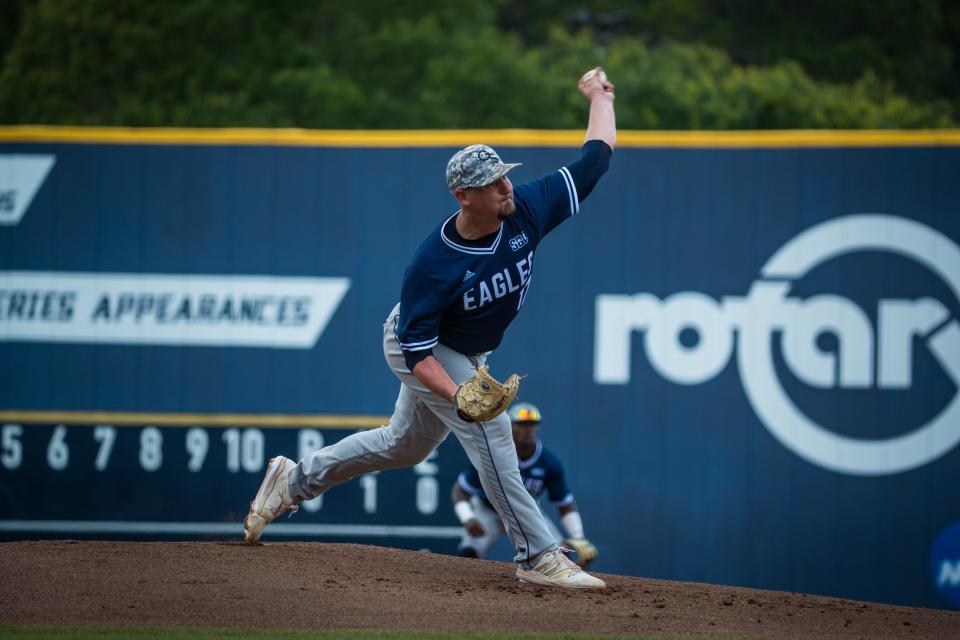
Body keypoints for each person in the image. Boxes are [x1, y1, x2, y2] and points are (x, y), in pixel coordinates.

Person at [243, 66, 616, 590]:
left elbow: (594, 161)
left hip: (466, 349)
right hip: (418, 344)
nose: (507, 186)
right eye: (493, 183)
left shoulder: (524, 208)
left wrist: (600, 97)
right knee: (491, 427)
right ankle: (537, 556)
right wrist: (461, 394)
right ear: (465, 196)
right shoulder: (434, 262)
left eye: (506, 175)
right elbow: (416, 350)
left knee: (403, 446)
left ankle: (293, 479)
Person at [452, 402, 599, 569]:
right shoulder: (492, 453)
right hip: (489, 510)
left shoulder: (548, 462)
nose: (528, 430)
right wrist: (468, 518)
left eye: (532, 425)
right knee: (469, 551)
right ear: (509, 425)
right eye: (521, 425)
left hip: (528, 511)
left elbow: (564, 503)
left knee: (560, 557)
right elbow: (460, 490)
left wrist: (578, 536)